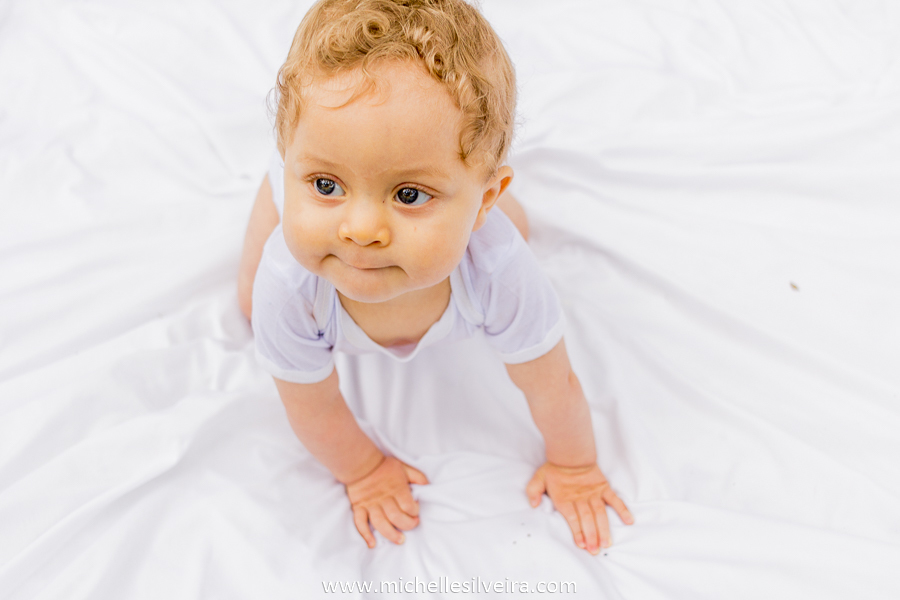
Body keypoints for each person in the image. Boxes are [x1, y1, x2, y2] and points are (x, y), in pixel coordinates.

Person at [237, 0, 633, 555]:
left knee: (515, 230)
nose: (362, 229)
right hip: (290, 245)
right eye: (325, 184)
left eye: (409, 194)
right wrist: (364, 470)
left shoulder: (499, 268)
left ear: (484, 199)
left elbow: (552, 384)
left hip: (479, 230)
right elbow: (314, 407)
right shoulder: (289, 285)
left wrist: (576, 466)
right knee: (249, 305)